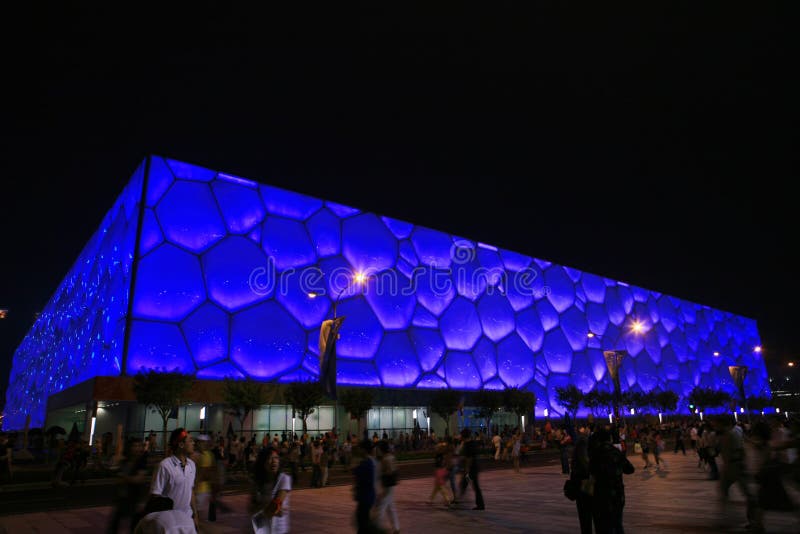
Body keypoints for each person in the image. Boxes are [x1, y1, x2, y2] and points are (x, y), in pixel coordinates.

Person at [147, 428, 198, 531]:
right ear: (181, 444)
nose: (193, 443)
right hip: (169, 522)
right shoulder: (165, 466)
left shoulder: (192, 465)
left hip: (187, 518)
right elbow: (155, 495)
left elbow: (190, 490)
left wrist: (195, 514)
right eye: (190, 440)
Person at [588, 427, 634, 533]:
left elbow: (590, 472)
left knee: (604, 526)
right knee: (618, 524)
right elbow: (630, 469)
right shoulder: (616, 452)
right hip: (618, 494)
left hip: (602, 495)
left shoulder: (596, 454)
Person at [107, 437, 149, 533]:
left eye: (139, 446)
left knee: (134, 527)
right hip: (122, 498)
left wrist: (124, 477)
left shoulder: (141, 462)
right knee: (114, 525)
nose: (137, 448)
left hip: (134, 499)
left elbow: (138, 479)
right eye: (135, 446)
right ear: (129, 447)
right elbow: (118, 478)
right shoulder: (125, 461)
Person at [252, 448, 292, 534]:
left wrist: (261, 510)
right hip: (262, 529)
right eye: (270, 458)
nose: (274, 461)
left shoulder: (284, 479)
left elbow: (275, 506)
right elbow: (252, 507)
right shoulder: (259, 482)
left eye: (276, 458)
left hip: (278, 529)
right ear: (263, 462)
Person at [353, 439, 379, 533]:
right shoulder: (371, 461)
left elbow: (357, 472)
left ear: (364, 449)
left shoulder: (367, 462)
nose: (358, 450)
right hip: (368, 496)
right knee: (363, 522)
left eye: (360, 448)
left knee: (362, 523)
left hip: (366, 496)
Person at [376, 440, 400, 534]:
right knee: (390, 507)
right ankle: (396, 527)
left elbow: (389, 471)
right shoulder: (390, 457)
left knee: (381, 507)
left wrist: (382, 473)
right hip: (390, 485)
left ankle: (377, 527)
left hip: (387, 485)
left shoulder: (386, 459)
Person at [459, 429, 485, 510]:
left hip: (470, 469)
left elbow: (469, 458)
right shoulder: (472, 443)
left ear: (463, 436)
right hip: (474, 468)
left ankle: (458, 501)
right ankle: (480, 504)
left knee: (466, 484)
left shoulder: (468, 444)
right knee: (468, 484)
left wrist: (466, 469)